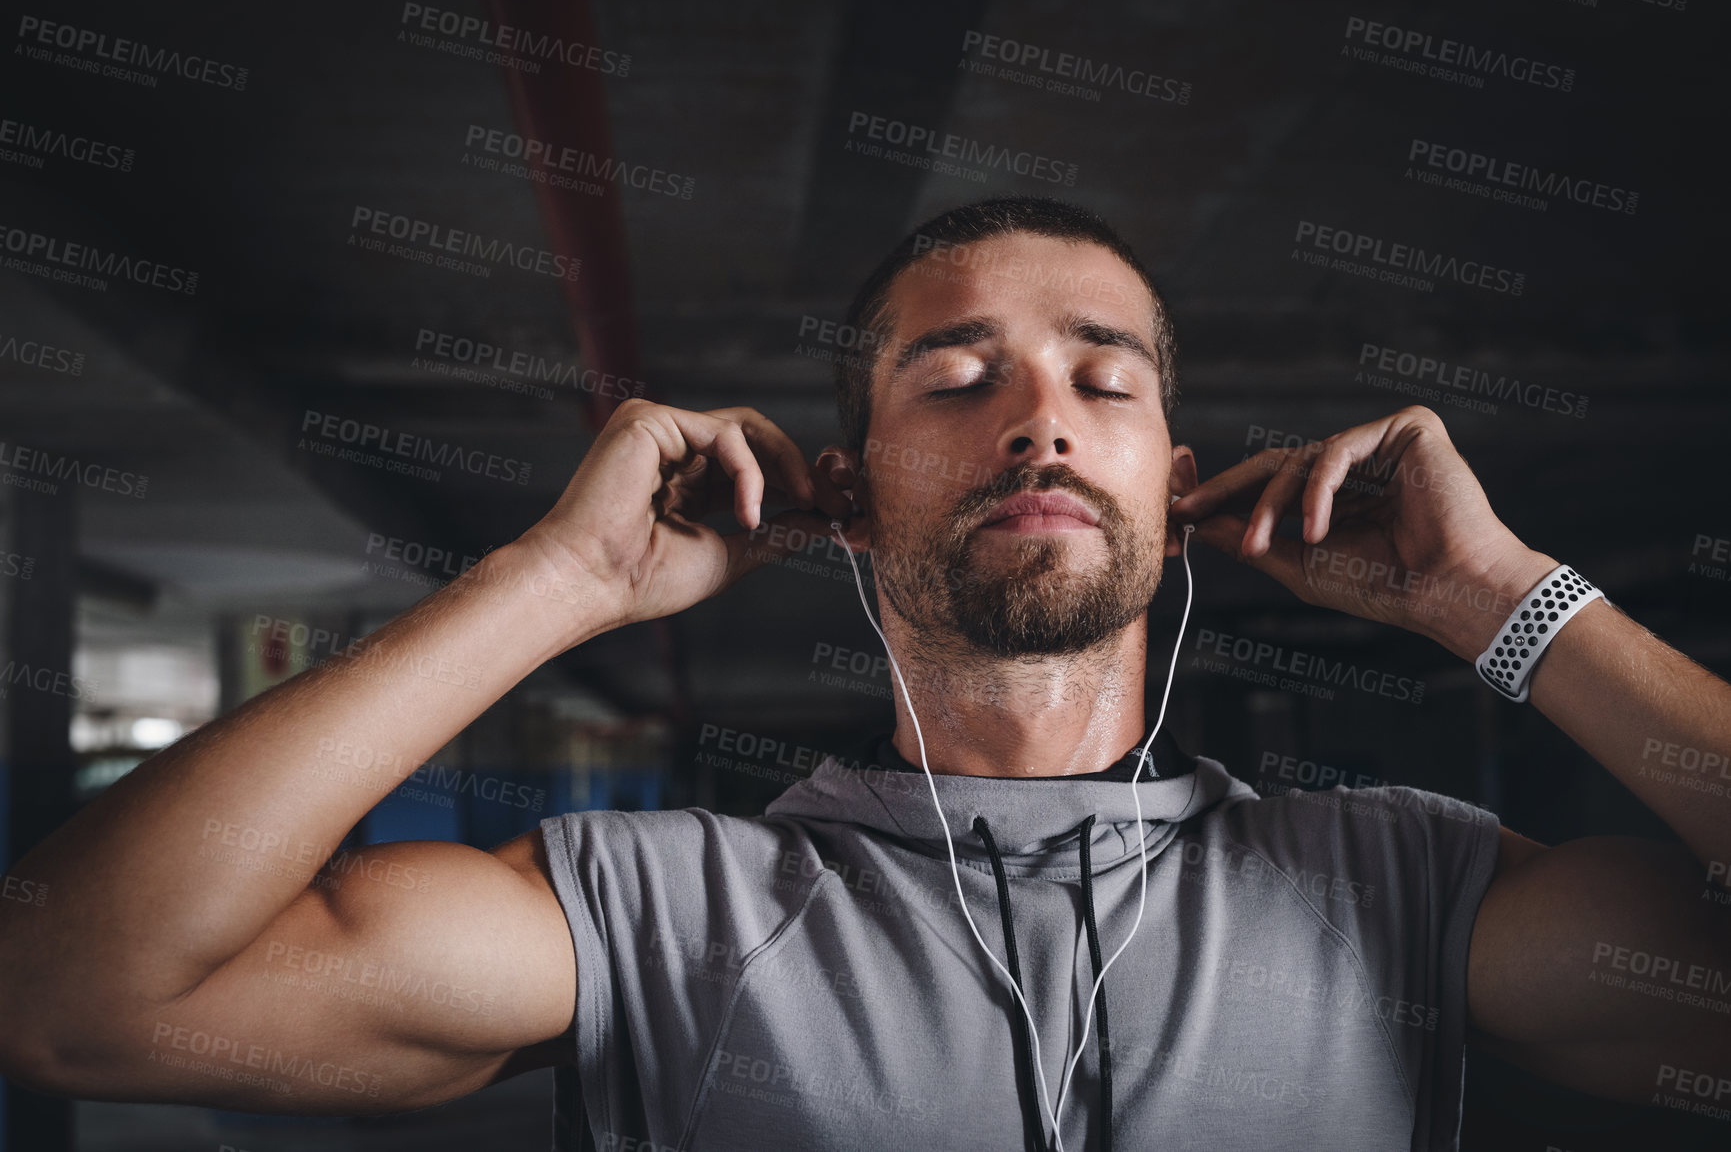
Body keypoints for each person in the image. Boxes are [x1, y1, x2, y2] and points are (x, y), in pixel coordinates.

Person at [1, 197, 1726, 1152]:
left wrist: (1506, 601)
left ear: (1174, 484)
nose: (1038, 412)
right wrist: (555, 584)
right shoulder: (656, 913)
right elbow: (84, 1002)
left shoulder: (1405, 892)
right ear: (844, 494)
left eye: (1101, 382)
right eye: (956, 376)